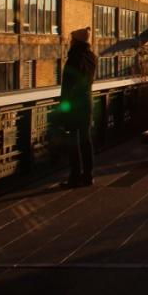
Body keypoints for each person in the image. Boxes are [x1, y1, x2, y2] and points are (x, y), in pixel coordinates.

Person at [61, 27, 97, 187]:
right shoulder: (92, 58)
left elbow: (67, 86)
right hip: (87, 103)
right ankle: (88, 175)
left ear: (76, 41)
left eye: (72, 40)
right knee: (86, 141)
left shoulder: (74, 59)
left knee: (73, 141)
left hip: (74, 105)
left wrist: (64, 108)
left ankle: (75, 176)